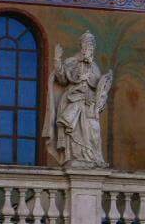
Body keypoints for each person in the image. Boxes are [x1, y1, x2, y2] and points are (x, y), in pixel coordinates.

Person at [42, 31, 113, 170]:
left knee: (94, 130)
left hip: (89, 104)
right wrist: (57, 60)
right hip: (73, 101)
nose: (89, 47)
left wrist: (99, 88)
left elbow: (99, 87)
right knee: (73, 131)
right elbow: (61, 78)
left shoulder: (94, 67)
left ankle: (93, 157)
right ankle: (77, 157)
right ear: (81, 46)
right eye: (86, 44)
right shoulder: (72, 62)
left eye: (91, 45)